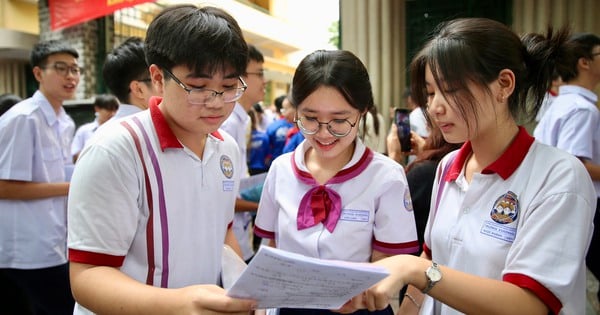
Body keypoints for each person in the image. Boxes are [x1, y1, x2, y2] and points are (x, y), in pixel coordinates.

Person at [341, 18, 596, 315]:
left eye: (451, 90)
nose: (435, 106)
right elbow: (432, 255)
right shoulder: (449, 165)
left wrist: (416, 270)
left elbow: (530, 304)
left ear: (504, 85)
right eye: (431, 92)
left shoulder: (559, 177)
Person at [67, 5, 256, 314]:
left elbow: (222, 232)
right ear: (157, 77)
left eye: (229, 87)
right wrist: (180, 304)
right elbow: (87, 275)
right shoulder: (117, 149)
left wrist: (244, 292)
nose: (217, 103)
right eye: (198, 87)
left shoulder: (227, 149)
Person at [254, 49, 419, 315]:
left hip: (358, 310)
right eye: (310, 118)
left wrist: (358, 295)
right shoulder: (280, 170)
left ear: (362, 111)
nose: (323, 132)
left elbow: (388, 262)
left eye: (339, 120)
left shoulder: (386, 176)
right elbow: (272, 248)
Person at [0, 39, 79, 314]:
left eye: (74, 69)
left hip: (56, 238)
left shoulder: (65, 121)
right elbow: (5, 187)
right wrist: (72, 187)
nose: (71, 76)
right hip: (27, 247)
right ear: (37, 73)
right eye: (61, 68)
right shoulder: (24, 119)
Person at [533, 32, 600, 304]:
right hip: (585, 205)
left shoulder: (559, 104)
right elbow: (576, 165)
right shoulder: (582, 109)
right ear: (584, 63)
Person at [220, 44, 267, 263]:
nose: (264, 81)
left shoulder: (242, 120)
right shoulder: (226, 124)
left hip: (239, 229)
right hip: (228, 238)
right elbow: (221, 195)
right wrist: (263, 205)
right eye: (259, 73)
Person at [102, 36, 160, 121]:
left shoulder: (104, 130)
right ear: (138, 89)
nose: (165, 85)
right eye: (158, 78)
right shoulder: (149, 130)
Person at [70, 93, 119, 162]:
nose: (113, 113)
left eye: (115, 110)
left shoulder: (119, 130)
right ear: (97, 109)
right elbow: (75, 153)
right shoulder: (85, 130)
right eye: (109, 109)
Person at [248, 106, 270, 175]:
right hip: (262, 169)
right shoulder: (264, 136)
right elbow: (268, 156)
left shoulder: (243, 137)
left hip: (247, 169)